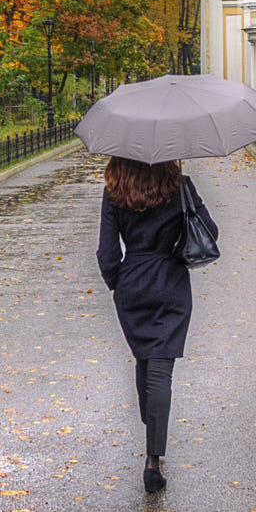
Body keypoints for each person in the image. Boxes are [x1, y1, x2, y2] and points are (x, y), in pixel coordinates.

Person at [96, 156, 218, 494]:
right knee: (160, 369)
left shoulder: (114, 189)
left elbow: (106, 252)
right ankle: (153, 458)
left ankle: (153, 427)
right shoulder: (179, 186)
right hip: (170, 282)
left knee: (144, 360)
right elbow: (211, 230)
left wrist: (118, 282)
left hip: (132, 283)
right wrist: (175, 255)